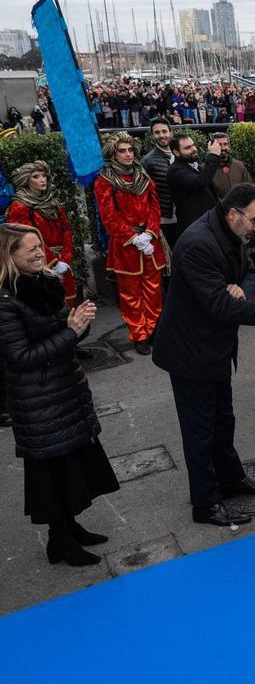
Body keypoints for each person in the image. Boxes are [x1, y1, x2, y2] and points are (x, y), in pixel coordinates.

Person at [152, 184, 255, 526]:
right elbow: (219, 306)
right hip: (191, 353)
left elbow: (248, 274)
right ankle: (205, 503)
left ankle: (231, 479)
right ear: (234, 213)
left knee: (223, 420)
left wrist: (241, 292)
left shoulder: (228, 230)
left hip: (213, 348)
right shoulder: (198, 243)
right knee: (199, 430)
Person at [0, 223, 116, 566]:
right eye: (30, 249)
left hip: (63, 392)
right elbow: (20, 359)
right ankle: (60, 542)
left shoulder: (44, 283)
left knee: (71, 468)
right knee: (53, 474)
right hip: (38, 401)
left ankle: (69, 528)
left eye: (40, 246)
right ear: (10, 256)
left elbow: (65, 332)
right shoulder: (6, 302)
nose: (40, 252)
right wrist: (71, 332)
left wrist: (81, 323)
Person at [94, 132, 167, 355]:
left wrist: (151, 232)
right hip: (126, 245)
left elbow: (155, 207)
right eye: (122, 151)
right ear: (113, 154)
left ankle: (155, 331)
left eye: (130, 150)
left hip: (149, 242)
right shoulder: (104, 180)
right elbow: (108, 216)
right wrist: (133, 237)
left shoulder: (143, 176)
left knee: (154, 292)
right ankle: (139, 335)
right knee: (131, 295)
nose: (127, 155)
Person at [6, 161, 77, 306]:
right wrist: (54, 263)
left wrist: (65, 259)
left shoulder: (53, 203)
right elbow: (24, 240)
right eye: (36, 177)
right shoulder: (19, 206)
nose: (42, 179)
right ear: (26, 180)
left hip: (62, 260)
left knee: (70, 304)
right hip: (39, 262)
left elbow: (66, 230)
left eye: (44, 175)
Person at [167, 134, 222, 232]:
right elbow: (201, 182)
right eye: (188, 148)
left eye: (193, 145)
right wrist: (213, 156)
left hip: (209, 222)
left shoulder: (195, 166)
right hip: (194, 227)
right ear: (176, 152)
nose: (194, 149)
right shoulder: (175, 170)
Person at [140, 118, 179, 252]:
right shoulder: (147, 161)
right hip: (163, 221)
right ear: (152, 136)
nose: (161, 135)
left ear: (171, 132)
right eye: (157, 132)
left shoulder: (181, 154)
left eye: (164, 131)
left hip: (184, 216)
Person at [209, 132, 253, 200]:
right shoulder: (207, 169)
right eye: (219, 145)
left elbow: (249, 188)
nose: (223, 148)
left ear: (229, 146)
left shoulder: (239, 165)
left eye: (225, 144)